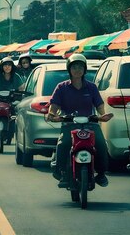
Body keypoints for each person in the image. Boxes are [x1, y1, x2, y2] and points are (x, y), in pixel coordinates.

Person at [47, 53, 113, 188]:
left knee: (101, 143)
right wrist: (52, 115)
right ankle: (63, 172)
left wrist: (103, 115)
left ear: (85, 69)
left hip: (90, 124)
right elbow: (53, 107)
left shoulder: (92, 87)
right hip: (69, 124)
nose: (77, 70)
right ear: (69, 69)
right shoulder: (61, 87)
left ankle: (101, 173)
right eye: (74, 67)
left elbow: (99, 105)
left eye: (80, 67)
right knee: (63, 144)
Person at [0, 57, 24, 144]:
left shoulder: (16, 77)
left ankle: (12, 132)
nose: (7, 67)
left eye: (9, 65)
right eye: (5, 65)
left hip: (11, 101)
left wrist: (18, 93)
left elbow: (21, 88)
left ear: (12, 67)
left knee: (15, 115)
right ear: (2, 67)